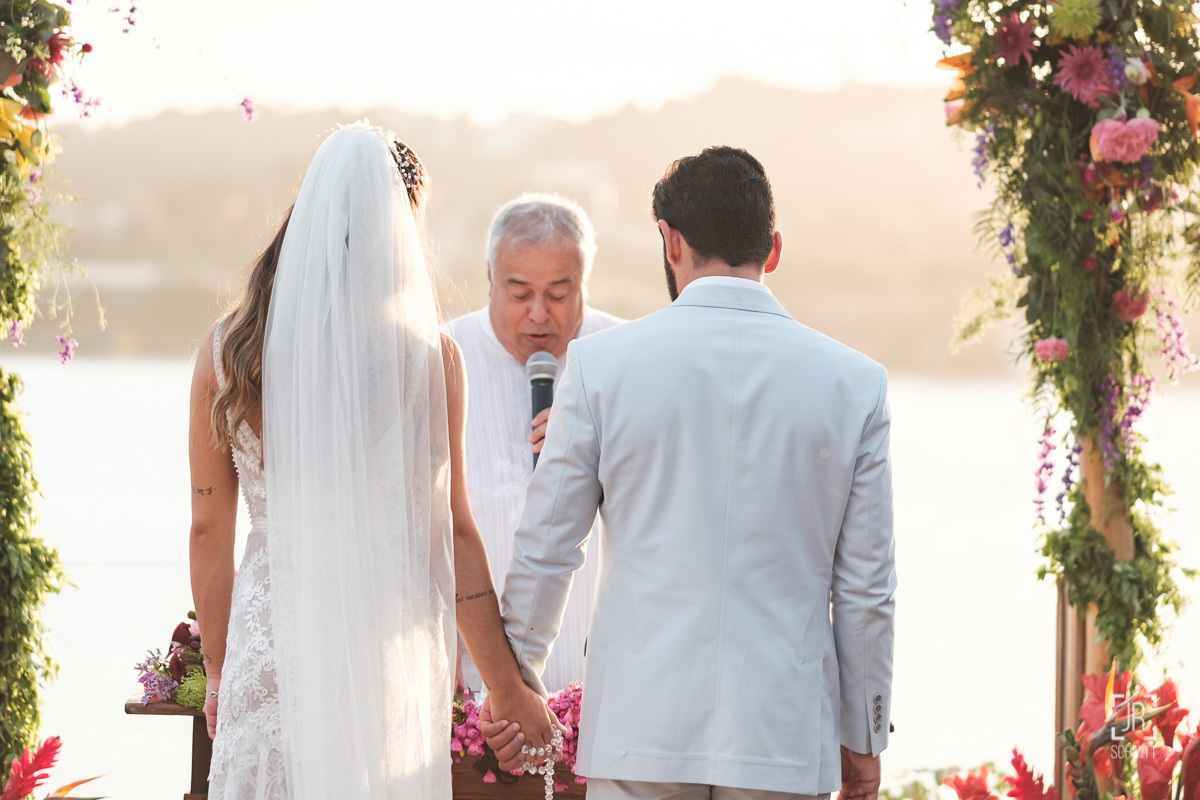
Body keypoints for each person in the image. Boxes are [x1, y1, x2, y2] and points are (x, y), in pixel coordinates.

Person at [483, 146, 896, 800]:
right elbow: (868, 590)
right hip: (783, 736)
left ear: (669, 241)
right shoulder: (855, 384)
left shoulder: (598, 368)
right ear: (774, 249)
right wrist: (864, 740)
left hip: (638, 728)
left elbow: (547, 548)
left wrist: (516, 683)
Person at [187, 122, 557, 800]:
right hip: (374, 655)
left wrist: (218, 670)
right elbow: (451, 534)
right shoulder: (429, 362)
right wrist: (505, 687)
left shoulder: (226, 351)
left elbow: (209, 531)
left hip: (269, 650)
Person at [443, 193, 622, 695]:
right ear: (490, 278)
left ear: (583, 281)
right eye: (520, 294)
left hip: (603, 682)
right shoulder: (439, 361)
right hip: (468, 687)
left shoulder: (627, 361)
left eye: (559, 294)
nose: (539, 314)